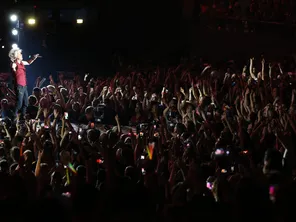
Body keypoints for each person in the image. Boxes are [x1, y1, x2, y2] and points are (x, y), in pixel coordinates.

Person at [8, 47, 39, 119]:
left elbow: (28, 62)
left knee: (26, 103)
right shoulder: (14, 64)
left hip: (24, 85)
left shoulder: (22, 63)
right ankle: (14, 118)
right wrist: (13, 69)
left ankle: (22, 118)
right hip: (19, 85)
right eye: (20, 53)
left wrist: (33, 58)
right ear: (16, 56)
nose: (21, 54)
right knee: (19, 104)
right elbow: (13, 68)